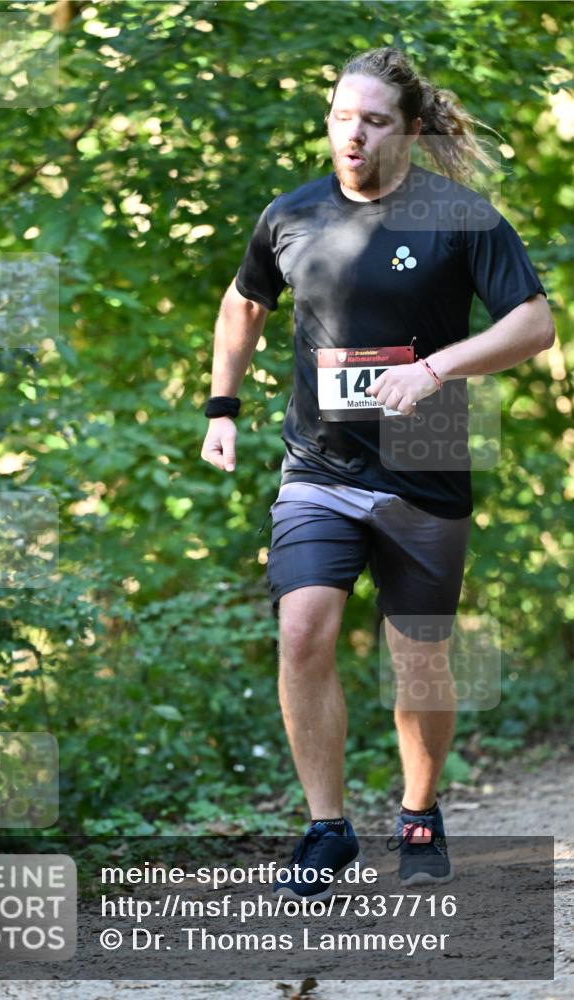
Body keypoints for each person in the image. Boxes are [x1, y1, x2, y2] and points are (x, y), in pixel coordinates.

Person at [200, 47, 554, 898]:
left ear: (410, 129)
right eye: (338, 116)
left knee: (420, 659)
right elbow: (244, 302)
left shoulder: (458, 215)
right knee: (301, 630)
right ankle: (327, 829)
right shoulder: (290, 215)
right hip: (317, 462)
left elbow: (534, 325)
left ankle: (420, 810)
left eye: (373, 120)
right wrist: (221, 407)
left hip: (424, 461)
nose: (350, 135)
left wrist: (435, 370)